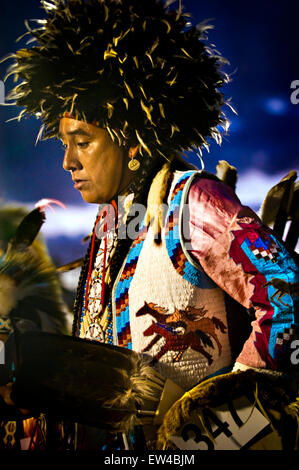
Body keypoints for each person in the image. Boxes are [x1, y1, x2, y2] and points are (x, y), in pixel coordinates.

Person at [0, 0, 298, 451]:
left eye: (82, 141)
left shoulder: (194, 203)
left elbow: (289, 297)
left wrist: (228, 419)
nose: (67, 161)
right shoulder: (109, 224)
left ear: (131, 138)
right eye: (65, 144)